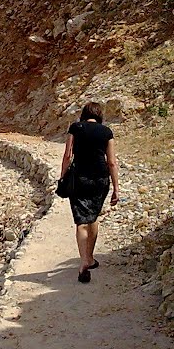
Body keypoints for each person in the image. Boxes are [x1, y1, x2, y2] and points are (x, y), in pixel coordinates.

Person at [60, 101, 119, 283]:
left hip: (79, 179)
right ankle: (91, 258)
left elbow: (68, 155)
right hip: (100, 179)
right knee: (93, 217)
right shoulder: (106, 132)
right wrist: (116, 187)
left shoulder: (75, 128)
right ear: (100, 115)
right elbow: (111, 162)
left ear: (84, 114)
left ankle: (83, 260)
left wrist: (62, 176)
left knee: (81, 221)